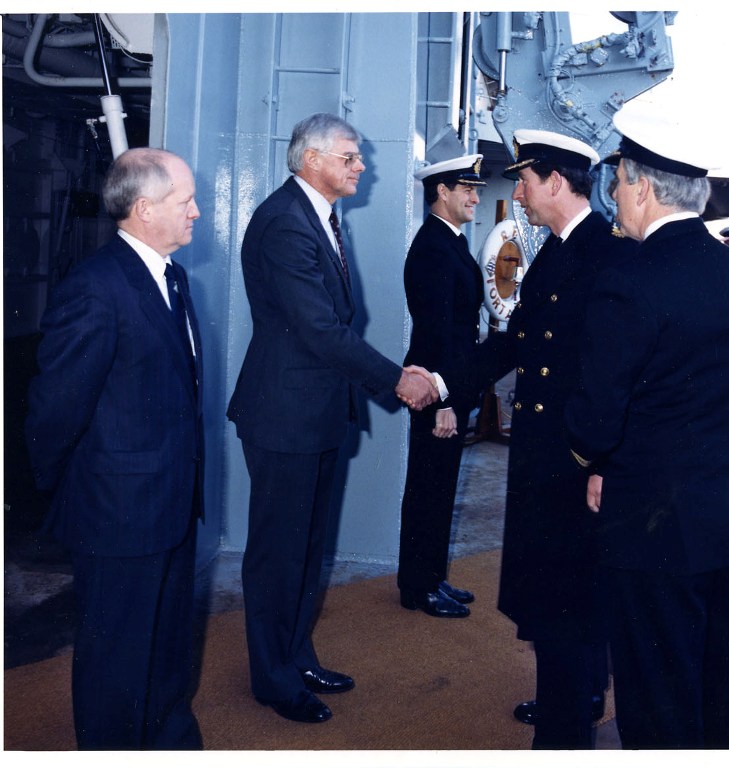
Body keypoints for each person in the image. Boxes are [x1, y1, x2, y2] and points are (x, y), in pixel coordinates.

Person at [565, 106, 729, 749]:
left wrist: (592, 460)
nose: (615, 196)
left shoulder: (628, 279)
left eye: (618, 183)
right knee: (719, 684)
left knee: (657, 698)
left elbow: (595, 417)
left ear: (641, 186)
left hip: (655, 526)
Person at [227, 113, 437, 724]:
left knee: (305, 547)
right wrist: (396, 379)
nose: (361, 166)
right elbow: (319, 328)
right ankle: (274, 680)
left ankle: (296, 657)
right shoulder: (285, 223)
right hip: (284, 415)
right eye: (350, 156)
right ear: (311, 159)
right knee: (279, 554)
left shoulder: (314, 216)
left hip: (312, 411)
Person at [439, 130, 634, 748]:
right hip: (547, 456)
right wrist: (442, 382)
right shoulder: (556, 250)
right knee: (560, 600)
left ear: (555, 182)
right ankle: (571, 698)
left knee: (566, 601)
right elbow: (516, 340)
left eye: (523, 181)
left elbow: (616, 377)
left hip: (572, 460)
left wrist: (599, 461)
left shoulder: (607, 255)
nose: (517, 194)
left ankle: (564, 728)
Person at [26, 147, 205, 749]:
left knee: (168, 641)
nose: (196, 212)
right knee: (116, 657)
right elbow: (54, 410)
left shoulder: (172, 276)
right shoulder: (96, 288)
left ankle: (168, 740)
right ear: (144, 208)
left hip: (172, 502)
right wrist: (69, 493)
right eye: (186, 201)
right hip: (119, 512)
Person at [398, 155, 486, 618]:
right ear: (442, 193)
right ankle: (418, 587)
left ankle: (431, 577)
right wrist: (444, 401)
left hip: (447, 385)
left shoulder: (449, 241)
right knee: (428, 488)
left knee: (439, 485)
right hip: (436, 391)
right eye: (466, 190)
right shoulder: (434, 248)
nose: (475, 198)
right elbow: (435, 333)